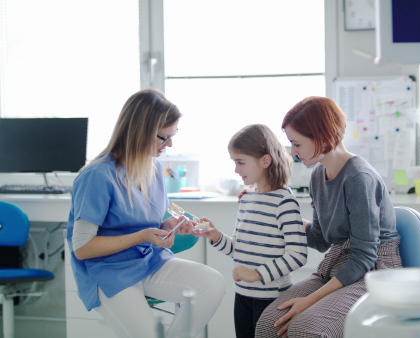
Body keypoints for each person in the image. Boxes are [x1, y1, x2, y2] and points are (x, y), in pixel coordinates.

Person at [66, 88, 225, 338]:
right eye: (164, 137)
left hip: (148, 261)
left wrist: (170, 225)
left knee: (211, 282)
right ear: (140, 132)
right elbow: (83, 248)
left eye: (173, 135)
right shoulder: (97, 175)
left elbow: (157, 213)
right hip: (108, 271)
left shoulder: (153, 167)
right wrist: (142, 236)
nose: (169, 144)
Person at [255, 96, 401, 338]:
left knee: (306, 330)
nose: (293, 152)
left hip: (374, 269)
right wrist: (282, 218)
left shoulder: (358, 178)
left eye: (297, 144)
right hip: (338, 262)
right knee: (268, 325)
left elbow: (364, 255)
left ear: (322, 137)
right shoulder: (318, 175)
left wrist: (309, 300)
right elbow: (321, 239)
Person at [195, 124, 308, 338]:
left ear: (265, 161)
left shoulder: (284, 201)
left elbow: (298, 255)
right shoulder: (247, 198)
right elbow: (240, 249)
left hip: (272, 298)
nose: (236, 170)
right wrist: (216, 236)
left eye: (240, 162)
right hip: (243, 295)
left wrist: (256, 274)